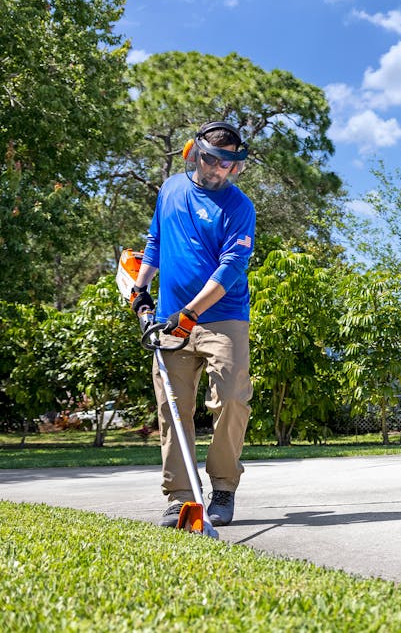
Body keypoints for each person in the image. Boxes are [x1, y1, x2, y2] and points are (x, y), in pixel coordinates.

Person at [131, 121, 255, 528]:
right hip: (169, 318)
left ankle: (223, 486)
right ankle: (181, 497)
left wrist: (191, 314)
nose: (219, 171)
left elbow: (231, 267)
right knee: (172, 408)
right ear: (194, 154)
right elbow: (155, 241)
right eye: (213, 161)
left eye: (229, 165)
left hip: (223, 318)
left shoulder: (240, 208)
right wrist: (141, 287)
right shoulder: (170, 190)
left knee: (233, 397)